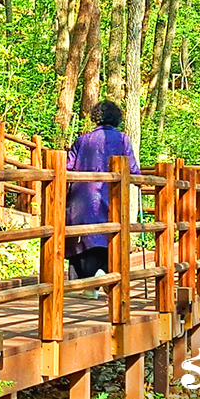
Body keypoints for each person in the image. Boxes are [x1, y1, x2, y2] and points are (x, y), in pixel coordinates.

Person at [65, 100, 140, 298]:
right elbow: (133, 169)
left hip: (82, 199)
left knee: (84, 236)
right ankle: (104, 279)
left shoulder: (83, 140)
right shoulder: (122, 140)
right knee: (109, 236)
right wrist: (140, 181)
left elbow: (67, 166)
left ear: (95, 117)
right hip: (110, 197)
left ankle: (88, 283)